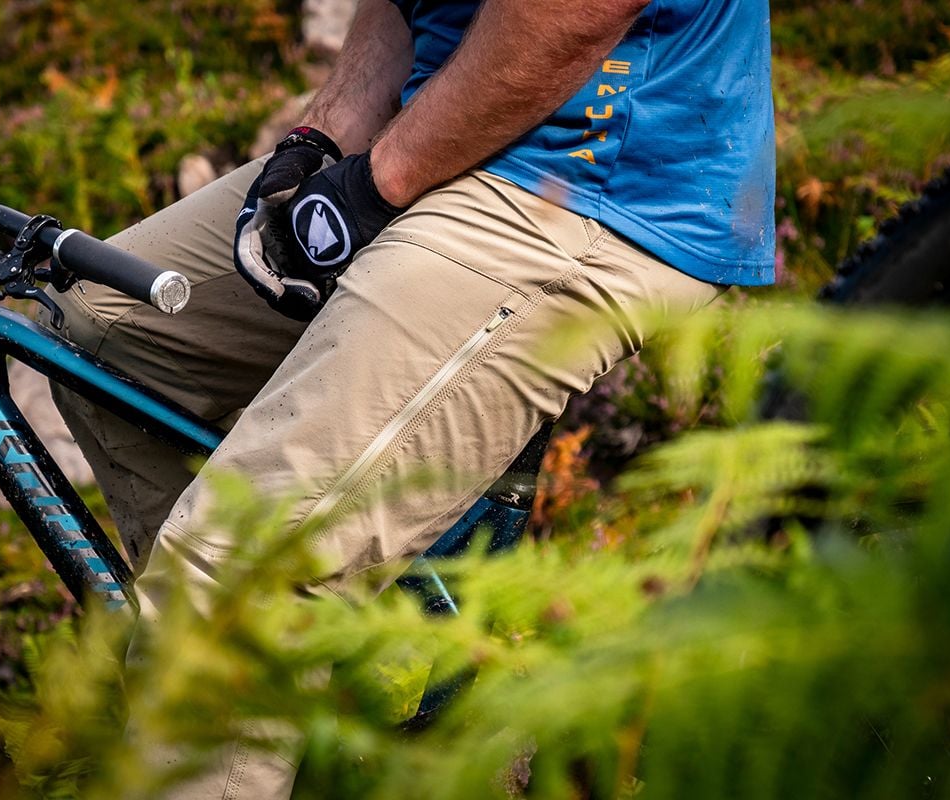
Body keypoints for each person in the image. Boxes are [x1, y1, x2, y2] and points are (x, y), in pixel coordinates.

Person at [47, 0, 775, 796]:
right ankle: (266, 722)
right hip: (449, 132)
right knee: (101, 327)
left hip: (591, 180)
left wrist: (378, 182)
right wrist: (319, 140)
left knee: (230, 579)